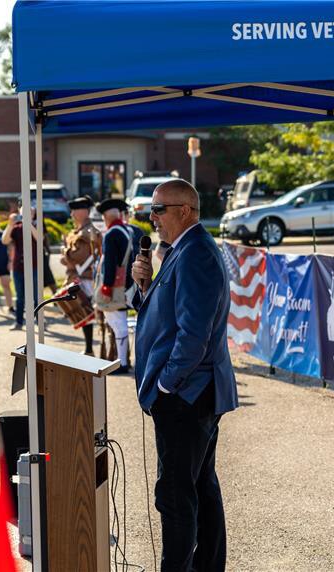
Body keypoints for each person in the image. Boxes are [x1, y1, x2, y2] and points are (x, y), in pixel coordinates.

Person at [131, 179, 238, 572]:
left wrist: (165, 385)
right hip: (192, 392)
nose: (152, 218)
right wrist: (144, 284)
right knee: (200, 487)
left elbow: (195, 334)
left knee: (176, 495)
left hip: (188, 394)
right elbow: (167, 316)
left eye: (159, 209)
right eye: (151, 210)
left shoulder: (196, 253)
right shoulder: (181, 250)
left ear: (185, 210)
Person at [96, 198, 138, 374]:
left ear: (106, 216)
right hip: (128, 284)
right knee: (119, 324)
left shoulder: (112, 233)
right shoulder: (128, 230)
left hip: (115, 286)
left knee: (118, 325)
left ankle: (122, 363)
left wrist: (106, 287)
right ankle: (122, 360)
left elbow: (111, 262)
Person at [61, 196, 102, 355]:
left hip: (86, 278)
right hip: (81, 276)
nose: (71, 214)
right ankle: (89, 348)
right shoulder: (80, 231)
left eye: (74, 210)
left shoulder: (87, 233)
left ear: (84, 211)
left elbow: (78, 256)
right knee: (85, 314)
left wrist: (65, 254)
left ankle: (90, 348)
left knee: (86, 314)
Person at [2, 209, 40, 330]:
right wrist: (10, 224)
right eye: (24, 213)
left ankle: (39, 322)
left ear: (33, 215)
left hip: (33, 266)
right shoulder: (17, 228)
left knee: (36, 296)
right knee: (20, 297)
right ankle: (19, 322)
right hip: (18, 267)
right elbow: (5, 240)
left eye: (30, 213)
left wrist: (28, 223)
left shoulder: (36, 226)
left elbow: (40, 239)